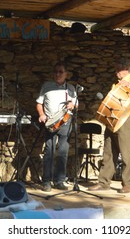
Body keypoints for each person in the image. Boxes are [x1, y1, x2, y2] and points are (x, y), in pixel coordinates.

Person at [89, 58, 130, 193]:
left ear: (126, 69)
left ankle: (127, 184)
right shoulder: (115, 84)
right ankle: (103, 182)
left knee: (126, 151)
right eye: (115, 69)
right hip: (113, 118)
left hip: (128, 118)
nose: (116, 72)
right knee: (108, 150)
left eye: (118, 70)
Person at [36, 61, 77, 192]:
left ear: (66, 74)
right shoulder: (46, 86)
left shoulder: (70, 88)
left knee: (63, 152)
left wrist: (73, 105)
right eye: (56, 72)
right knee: (49, 151)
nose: (58, 74)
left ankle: (59, 181)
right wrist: (41, 114)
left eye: (61, 72)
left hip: (65, 122)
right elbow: (39, 103)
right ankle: (46, 181)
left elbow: (76, 104)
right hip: (50, 123)